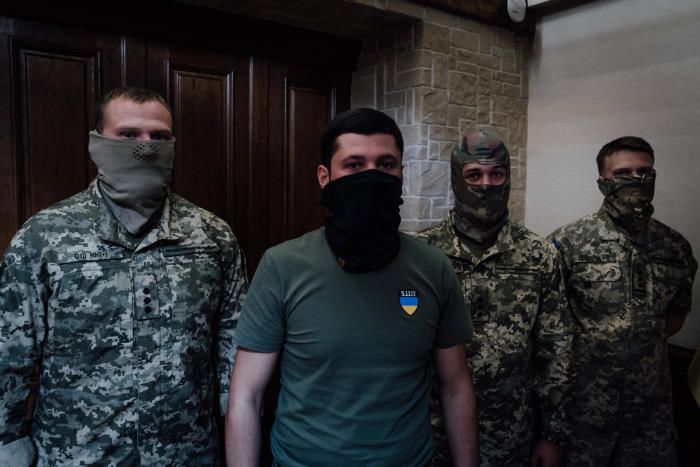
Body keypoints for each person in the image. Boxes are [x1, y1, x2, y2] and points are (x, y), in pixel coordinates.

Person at [0, 87, 248, 465]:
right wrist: (8, 445)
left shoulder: (212, 237)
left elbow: (234, 346)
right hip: (79, 456)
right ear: (97, 144)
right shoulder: (43, 237)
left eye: (159, 137)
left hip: (187, 454)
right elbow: (10, 354)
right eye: (128, 135)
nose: (146, 148)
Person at [225, 108, 478, 467]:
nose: (371, 177)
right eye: (354, 165)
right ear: (324, 177)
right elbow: (246, 396)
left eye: (385, 164)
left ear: (401, 173)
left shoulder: (434, 268)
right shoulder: (282, 266)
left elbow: (455, 386)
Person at [416, 130, 572, 467]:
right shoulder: (421, 255)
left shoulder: (539, 255)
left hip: (512, 435)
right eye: (474, 174)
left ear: (508, 179)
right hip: (431, 434)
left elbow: (555, 349)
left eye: (496, 173)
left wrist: (553, 433)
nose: (486, 184)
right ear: (456, 180)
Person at [548, 136, 697, 466]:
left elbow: (675, 318)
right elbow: (549, 326)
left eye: (644, 172)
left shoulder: (674, 247)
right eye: (622, 173)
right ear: (603, 183)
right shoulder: (567, 242)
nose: (636, 180)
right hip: (584, 414)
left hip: (650, 417)